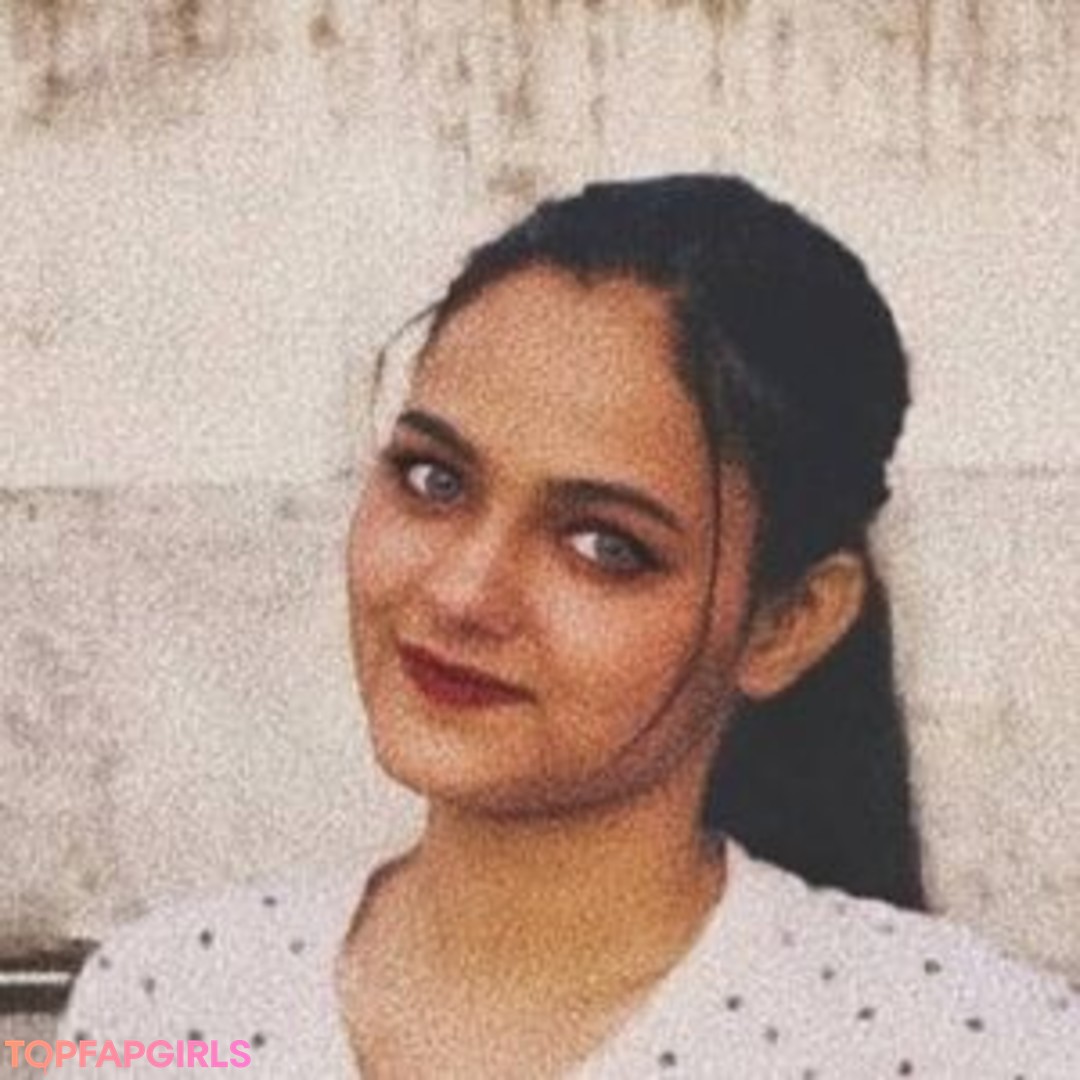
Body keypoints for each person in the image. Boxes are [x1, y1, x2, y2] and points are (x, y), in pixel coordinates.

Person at [57, 175, 1079, 1077]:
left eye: (603, 545)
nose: (463, 592)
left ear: (786, 624)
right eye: (433, 479)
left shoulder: (967, 1046)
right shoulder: (172, 1006)